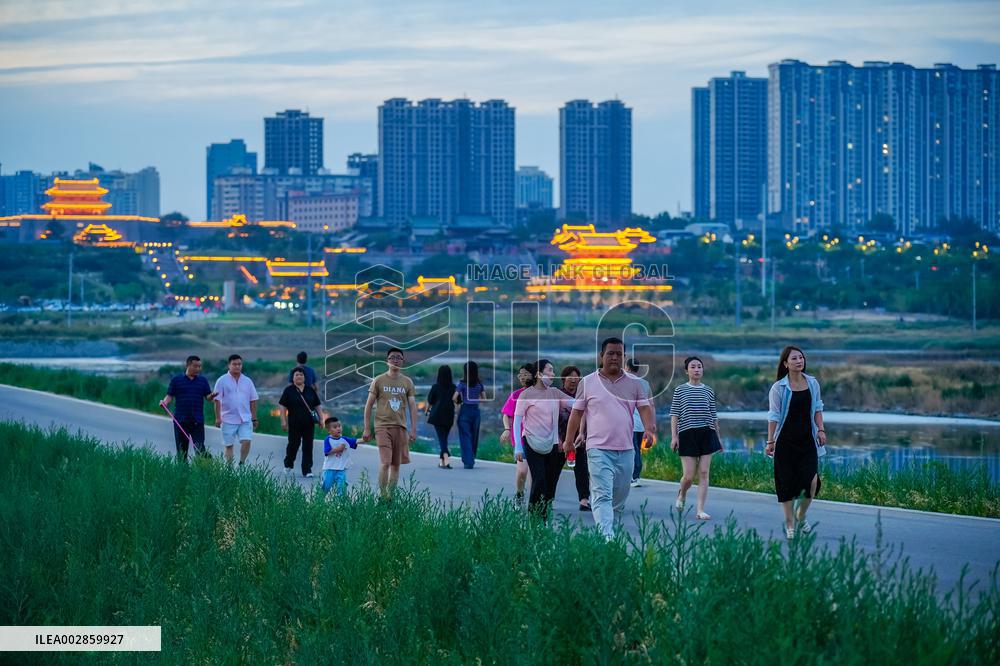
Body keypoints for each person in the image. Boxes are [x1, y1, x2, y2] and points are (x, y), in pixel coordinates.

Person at [562, 337, 656, 540]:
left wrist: (649, 430)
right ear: (601, 356)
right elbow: (576, 413)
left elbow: (645, 408)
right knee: (602, 493)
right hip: (597, 447)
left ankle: (608, 524)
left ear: (624, 357)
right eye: (610, 353)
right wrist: (569, 440)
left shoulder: (634, 383)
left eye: (619, 354)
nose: (614, 357)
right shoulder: (587, 382)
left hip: (626, 448)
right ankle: (607, 538)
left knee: (620, 495)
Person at [765, 346, 827, 540]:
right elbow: (774, 416)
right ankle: (790, 523)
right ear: (785, 363)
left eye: (801, 357)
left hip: (807, 440)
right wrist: (770, 441)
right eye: (794, 358)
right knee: (786, 484)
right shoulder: (779, 388)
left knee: (812, 481)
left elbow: (817, 408)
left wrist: (821, 429)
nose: (799, 361)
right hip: (785, 442)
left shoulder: (812, 383)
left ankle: (800, 515)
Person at [513, 359, 571, 520]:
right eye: (550, 370)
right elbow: (517, 422)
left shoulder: (554, 393)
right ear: (539, 374)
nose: (553, 374)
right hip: (531, 442)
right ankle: (533, 518)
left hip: (551, 444)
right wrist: (518, 447)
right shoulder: (526, 394)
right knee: (539, 480)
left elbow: (574, 404)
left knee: (549, 482)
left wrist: (593, 397)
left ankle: (543, 517)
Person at [670, 356, 722, 520]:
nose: (697, 369)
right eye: (693, 367)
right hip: (687, 434)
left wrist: (718, 439)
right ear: (687, 371)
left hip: (707, 433)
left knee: (704, 472)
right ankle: (682, 493)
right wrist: (674, 437)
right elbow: (674, 415)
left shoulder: (708, 391)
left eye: (699, 366)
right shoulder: (680, 390)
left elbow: (714, 416)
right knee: (688, 476)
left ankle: (700, 510)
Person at [362, 347, 418, 498]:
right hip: (382, 426)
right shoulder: (379, 380)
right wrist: (367, 428)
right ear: (387, 361)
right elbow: (368, 405)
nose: (395, 360)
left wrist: (413, 429)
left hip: (400, 427)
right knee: (385, 462)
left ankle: (390, 497)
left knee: (396, 465)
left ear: (403, 361)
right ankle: (383, 495)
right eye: (392, 357)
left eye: (398, 357)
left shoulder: (407, 382)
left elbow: (413, 407)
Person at [160, 355, 217, 461]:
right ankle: (183, 469)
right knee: (182, 451)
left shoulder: (203, 381)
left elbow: (208, 397)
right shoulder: (176, 380)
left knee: (200, 448)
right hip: (180, 421)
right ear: (188, 365)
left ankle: (204, 467)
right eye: (195, 366)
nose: (198, 369)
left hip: (197, 421)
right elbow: (169, 396)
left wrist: (212, 396)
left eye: (199, 366)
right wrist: (164, 402)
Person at [279, 367, 326, 478]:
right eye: (297, 375)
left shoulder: (310, 390)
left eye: (301, 375)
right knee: (293, 444)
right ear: (293, 378)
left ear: (304, 377)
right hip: (294, 423)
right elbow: (282, 406)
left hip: (309, 424)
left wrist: (321, 419)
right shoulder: (288, 390)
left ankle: (307, 469)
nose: (299, 376)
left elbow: (317, 405)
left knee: (308, 446)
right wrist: (283, 421)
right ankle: (288, 464)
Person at [213, 354, 259, 465]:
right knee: (229, 445)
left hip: (245, 418)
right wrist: (218, 418)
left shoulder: (247, 381)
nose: (237, 366)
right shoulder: (221, 381)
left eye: (239, 364)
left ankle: (242, 463)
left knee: (247, 440)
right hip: (228, 418)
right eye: (234, 364)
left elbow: (253, 400)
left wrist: (254, 418)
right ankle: (229, 468)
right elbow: (217, 400)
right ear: (229, 365)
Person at [500, 364, 533, 504]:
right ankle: (519, 494)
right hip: (520, 438)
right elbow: (506, 415)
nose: (522, 377)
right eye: (520, 375)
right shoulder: (516, 395)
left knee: (535, 474)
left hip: (538, 438)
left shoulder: (543, 394)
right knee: (522, 471)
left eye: (525, 374)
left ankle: (537, 501)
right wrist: (507, 429)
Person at [558, 365, 590, 511]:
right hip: (560, 440)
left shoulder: (582, 395)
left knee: (582, 470)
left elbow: (587, 416)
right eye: (570, 377)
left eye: (576, 378)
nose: (573, 380)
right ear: (563, 379)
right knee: (553, 470)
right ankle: (547, 499)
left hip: (578, 440)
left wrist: (584, 434)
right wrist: (558, 439)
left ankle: (584, 500)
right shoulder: (558, 395)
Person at [453, 361, 485, 469]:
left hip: (465, 410)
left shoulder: (462, 383)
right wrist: (475, 400)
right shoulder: (479, 384)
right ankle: (471, 458)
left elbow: (454, 397)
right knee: (474, 436)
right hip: (475, 411)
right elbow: (484, 399)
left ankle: (468, 461)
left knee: (465, 436)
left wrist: (459, 403)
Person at [626, 358, 652, 488]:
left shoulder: (624, 382)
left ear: (627, 367)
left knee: (633, 450)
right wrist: (651, 424)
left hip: (629, 423)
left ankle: (634, 477)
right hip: (642, 423)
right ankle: (635, 476)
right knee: (637, 450)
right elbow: (651, 405)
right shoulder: (645, 383)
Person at [425, 365, 457, 469]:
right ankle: (441, 462)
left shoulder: (435, 387)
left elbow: (430, 401)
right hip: (449, 415)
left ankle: (446, 461)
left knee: (442, 439)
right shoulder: (453, 387)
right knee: (444, 439)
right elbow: (458, 401)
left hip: (437, 416)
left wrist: (426, 411)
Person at [321, 416, 358, 496]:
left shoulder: (344, 439)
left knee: (342, 487)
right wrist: (338, 449)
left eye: (339, 426)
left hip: (341, 469)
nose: (338, 428)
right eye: (335, 427)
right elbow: (327, 452)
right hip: (329, 468)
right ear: (329, 430)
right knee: (326, 486)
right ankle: (319, 500)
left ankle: (341, 502)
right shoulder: (328, 439)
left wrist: (365, 439)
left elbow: (355, 441)